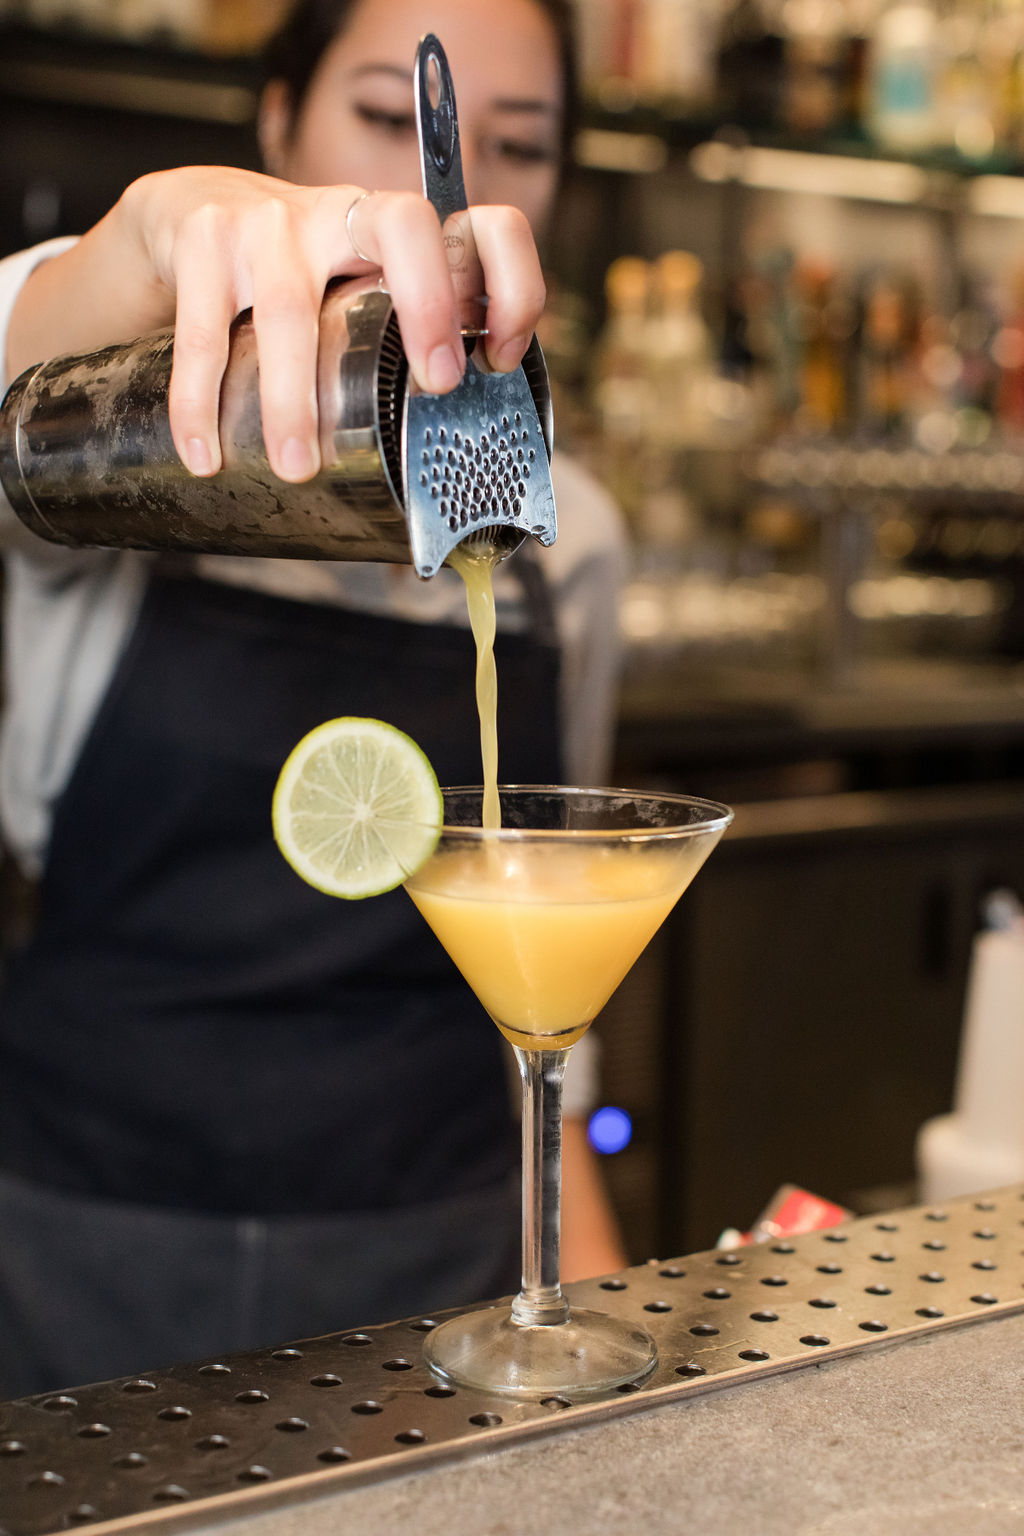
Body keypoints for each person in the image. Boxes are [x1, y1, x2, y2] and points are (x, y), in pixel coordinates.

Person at [0, 0, 628, 1398]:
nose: (434, 199)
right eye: (383, 118)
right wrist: (125, 252)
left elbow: (549, 948)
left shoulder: (567, 535)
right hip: (80, 1244)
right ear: (275, 121)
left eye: (513, 143)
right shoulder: (121, 461)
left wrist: (582, 1275)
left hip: (439, 1256)